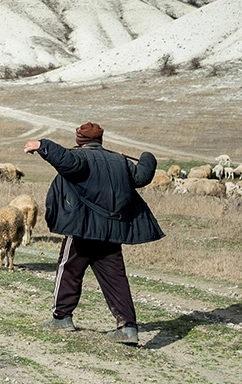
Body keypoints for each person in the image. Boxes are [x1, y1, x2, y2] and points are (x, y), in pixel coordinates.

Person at [24, 121, 163, 345]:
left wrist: (41, 144)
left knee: (68, 270)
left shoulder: (80, 158)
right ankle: (128, 327)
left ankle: (61, 318)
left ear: (79, 139)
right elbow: (143, 175)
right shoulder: (120, 162)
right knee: (116, 278)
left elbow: (64, 159)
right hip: (111, 232)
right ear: (100, 140)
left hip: (82, 229)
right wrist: (148, 155)